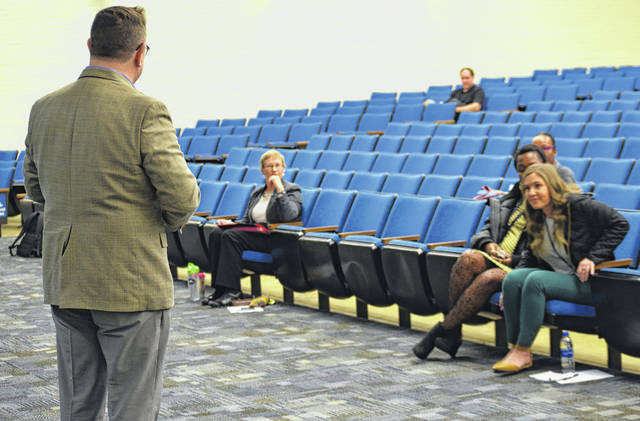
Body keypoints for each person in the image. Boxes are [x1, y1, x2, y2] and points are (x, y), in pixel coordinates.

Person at [23, 6, 200, 420]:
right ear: (140, 53)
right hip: (130, 280)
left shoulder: (43, 107)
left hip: (67, 277)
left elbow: (35, 189)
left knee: (77, 405)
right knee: (133, 406)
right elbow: (182, 197)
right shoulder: (144, 110)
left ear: (90, 45)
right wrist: (152, 226)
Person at [413, 144, 546, 360]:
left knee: (489, 277)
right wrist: (488, 245)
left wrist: (513, 259)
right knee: (467, 258)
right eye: (521, 169)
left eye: (533, 166)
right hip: (499, 258)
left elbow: (546, 254)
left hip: (525, 267)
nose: (527, 173)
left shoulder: (549, 200)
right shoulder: (511, 198)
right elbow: (483, 231)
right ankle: (453, 332)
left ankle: (443, 329)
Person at [492, 163, 628, 373]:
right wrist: (513, 282)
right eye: (527, 188)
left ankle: (522, 350)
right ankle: (515, 349)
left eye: (538, 186)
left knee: (535, 281)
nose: (532, 192)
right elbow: (530, 254)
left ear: (552, 186)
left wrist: (592, 258)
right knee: (512, 279)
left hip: (593, 283)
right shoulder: (536, 214)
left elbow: (620, 223)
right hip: (563, 278)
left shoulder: (577, 205)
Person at [203, 150, 302, 307]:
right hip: (256, 234)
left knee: (231, 236)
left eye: (277, 165)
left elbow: (290, 215)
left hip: (275, 237)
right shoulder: (258, 192)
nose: (274, 169)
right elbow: (247, 220)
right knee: (217, 233)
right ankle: (220, 290)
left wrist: (279, 190)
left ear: (283, 169)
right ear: (263, 170)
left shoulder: (292, 189)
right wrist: (231, 223)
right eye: (269, 166)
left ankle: (233, 291)